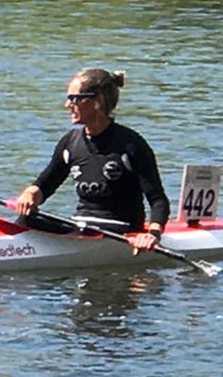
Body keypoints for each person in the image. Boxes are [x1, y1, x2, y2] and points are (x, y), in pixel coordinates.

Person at [14, 68, 169, 254]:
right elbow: (45, 185)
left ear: (97, 101)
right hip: (80, 226)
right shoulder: (70, 142)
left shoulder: (131, 145)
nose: (67, 105)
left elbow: (158, 200)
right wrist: (30, 194)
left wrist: (152, 234)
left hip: (119, 230)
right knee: (25, 219)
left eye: (74, 98)